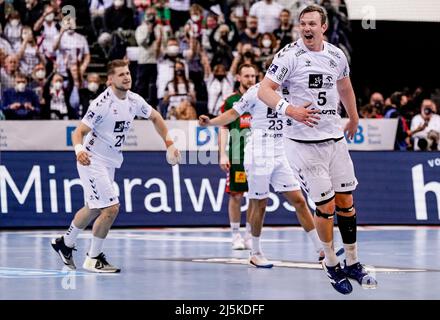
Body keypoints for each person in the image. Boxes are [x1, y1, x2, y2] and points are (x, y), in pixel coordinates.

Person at [257, 5, 377, 294]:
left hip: (334, 139)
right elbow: (265, 90)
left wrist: (355, 116)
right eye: (302, 24)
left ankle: (352, 261)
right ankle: (332, 263)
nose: (306, 28)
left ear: (324, 27)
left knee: (346, 202)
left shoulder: (336, 55)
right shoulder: (289, 55)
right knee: (326, 205)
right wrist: (291, 110)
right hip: (302, 144)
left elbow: (345, 88)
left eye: (312, 23)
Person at [51, 59, 181, 273]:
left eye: (128, 73)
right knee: (111, 208)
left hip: (110, 161)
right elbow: (78, 133)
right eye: (121, 74)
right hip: (91, 159)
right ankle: (93, 258)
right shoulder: (101, 104)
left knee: (93, 208)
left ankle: (65, 243)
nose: (127, 77)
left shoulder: (134, 100)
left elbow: (156, 117)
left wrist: (169, 143)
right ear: (110, 80)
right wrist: (79, 150)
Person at [199, 82, 324, 267]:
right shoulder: (256, 91)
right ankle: (255, 252)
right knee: (260, 204)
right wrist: (210, 122)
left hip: (281, 152)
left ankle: (321, 251)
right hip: (258, 152)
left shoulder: (292, 89)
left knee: (299, 200)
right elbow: (232, 114)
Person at [218, 63, 257, 250]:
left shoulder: (262, 98)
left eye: (253, 76)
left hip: (258, 157)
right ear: (239, 78)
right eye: (247, 76)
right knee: (236, 195)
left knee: (256, 196)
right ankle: (235, 235)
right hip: (237, 157)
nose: (251, 79)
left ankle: (249, 234)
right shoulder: (231, 101)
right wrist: (223, 154)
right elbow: (223, 128)